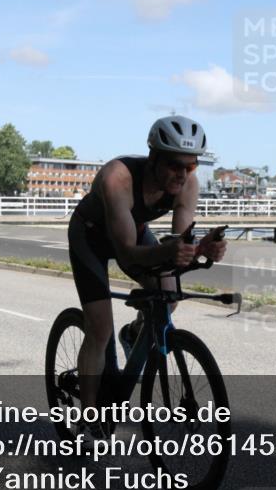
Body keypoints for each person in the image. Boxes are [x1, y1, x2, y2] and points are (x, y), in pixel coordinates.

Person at [68, 115, 226, 428]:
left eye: (190, 166)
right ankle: (87, 420)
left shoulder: (187, 185)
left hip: (132, 231)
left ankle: (135, 332)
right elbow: (127, 253)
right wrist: (171, 250)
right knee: (99, 329)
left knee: (168, 295)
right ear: (153, 157)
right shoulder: (118, 177)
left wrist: (201, 250)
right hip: (90, 236)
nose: (182, 175)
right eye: (174, 165)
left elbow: (177, 248)